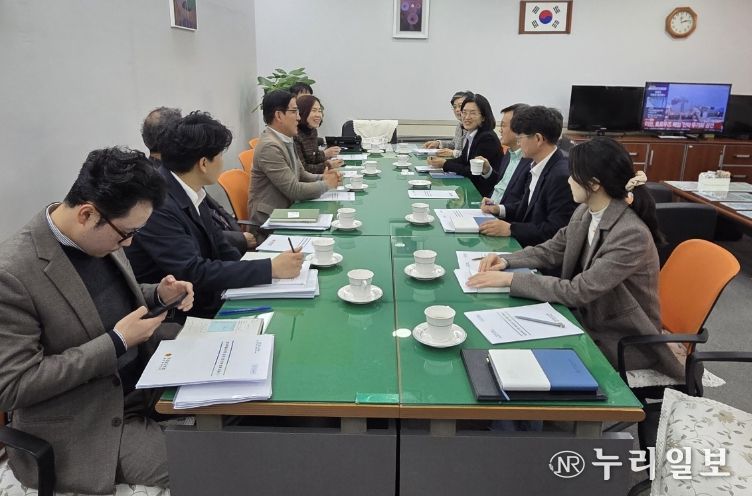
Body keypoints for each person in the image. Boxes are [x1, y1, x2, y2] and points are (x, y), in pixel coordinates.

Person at [0, 148, 195, 494]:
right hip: (89, 422)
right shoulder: (13, 274)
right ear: (87, 214)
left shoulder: (100, 235)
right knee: (208, 464)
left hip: (145, 382)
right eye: (126, 234)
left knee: (243, 416)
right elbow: (14, 386)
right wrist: (117, 342)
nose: (129, 243)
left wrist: (158, 295)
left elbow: (104, 300)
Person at [468, 137, 683, 378]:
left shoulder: (630, 234)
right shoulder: (586, 212)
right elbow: (553, 249)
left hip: (621, 339)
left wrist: (510, 280)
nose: (568, 180)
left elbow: (578, 290)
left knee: (526, 364)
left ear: (594, 184)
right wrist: (507, 260)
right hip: (587, 319)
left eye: (573, 175)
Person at [126, 111, 303, 320]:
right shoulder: (158, 205)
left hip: (211, 294)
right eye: (219, 156)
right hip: (181, 313)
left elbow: (221, 246)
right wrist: (269, 269)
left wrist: (258, 270)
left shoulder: (190, 187)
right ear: (203, 163)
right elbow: (193, 271)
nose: (222, 162)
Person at [141, 106, 256, 253]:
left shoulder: (185, 176)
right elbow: (194, 257)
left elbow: (216, 216)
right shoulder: (161, 194)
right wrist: (240, 239)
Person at [476, 105, 576, 246]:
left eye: (520, 137)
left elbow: (555, 230)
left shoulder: (560, 176)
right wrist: (498, 209)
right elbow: (527, 207)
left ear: (538, 139)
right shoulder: (537, 164)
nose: (518, 142)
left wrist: (511, 229)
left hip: (540, 251)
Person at [248, 89, 341, 228]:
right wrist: (327, 184)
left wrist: (323, 177)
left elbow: (301, 174)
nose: (298, 117)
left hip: (288, 211)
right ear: (279, 116)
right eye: (294, 111)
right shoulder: (270, 146)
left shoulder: (286, 138)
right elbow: (294, 189)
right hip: (270, 220)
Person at [426, 94, 503, 197]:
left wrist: (445, 164)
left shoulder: (487, 138)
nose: (467, 117)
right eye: (464, 112)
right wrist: (440, 162)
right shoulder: (473, 133)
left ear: (483, 117)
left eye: (473, 113)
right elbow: (463, 160)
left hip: (484, 194)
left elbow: (473, 171)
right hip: (473, 189)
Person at [478, 103, 532, 210]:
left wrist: (499, 210)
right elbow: (501, 185)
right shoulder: (509, 153)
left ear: (518, 128)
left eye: (503, 125)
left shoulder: (531, 161)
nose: (500, 130)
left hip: (503, 215)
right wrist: (488, 171)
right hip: (489, 207)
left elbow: (524, 204)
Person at [294, 95, 344, 173]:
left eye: (319, 111)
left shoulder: (312, 131)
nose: (318, 115)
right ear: (302, 112)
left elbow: (313, 158)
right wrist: (328, 165)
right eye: (313, 110)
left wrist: (327, 159)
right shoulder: (295, 134)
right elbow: (303, 170)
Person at [423, 90, 474, 158]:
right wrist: (438, 143)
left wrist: (453, 153)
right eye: (454, 107)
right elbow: (454, 144)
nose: (457, 110)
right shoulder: (460, 126)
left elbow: (472, 155)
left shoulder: (474, 128)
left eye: (460, 106)